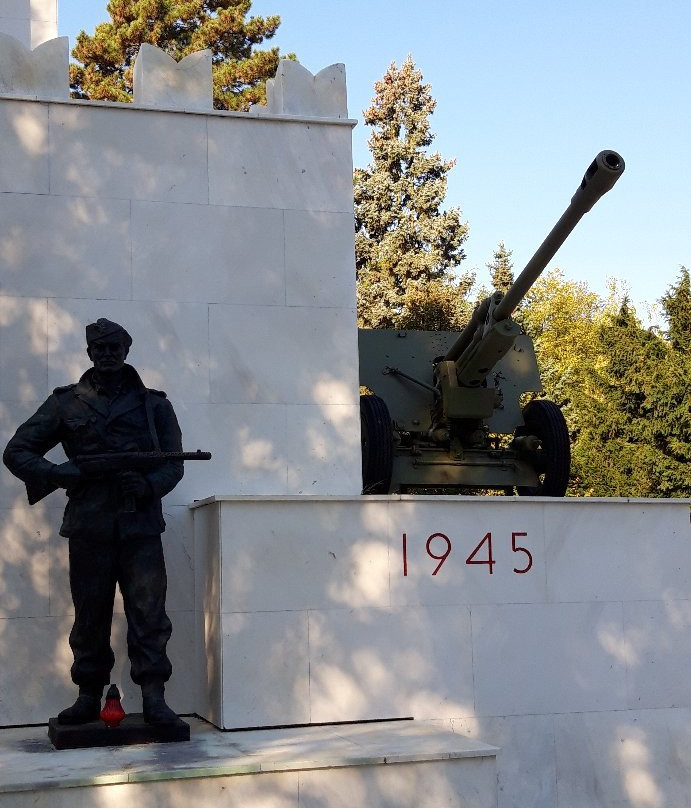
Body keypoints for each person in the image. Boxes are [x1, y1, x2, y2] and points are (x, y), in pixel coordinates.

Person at [3, 318, 184, 725]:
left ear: (125, 350)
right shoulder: (66, 403)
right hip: (89, 527)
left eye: (114, 348)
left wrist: (147, 485)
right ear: (88, 353)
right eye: (99, 349)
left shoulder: (154, 406)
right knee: (89, 615)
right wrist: (57, 473)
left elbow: (173, 466)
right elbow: (17, 451)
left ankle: (154, 697)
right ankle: (88, 695)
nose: (107, 355)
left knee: (149, 614)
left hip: (140, 529)